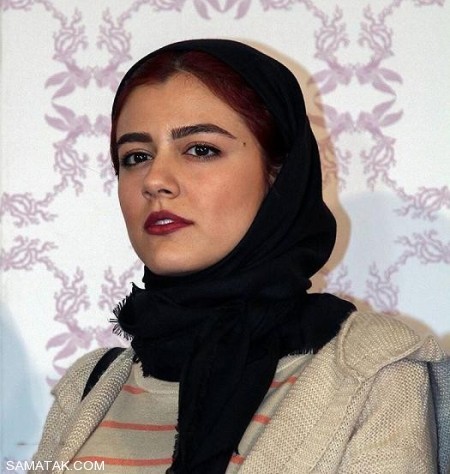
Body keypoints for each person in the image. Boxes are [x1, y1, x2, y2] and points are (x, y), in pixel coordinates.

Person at [31, 39, 450, 474]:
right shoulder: (87, 388)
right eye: (136, 156)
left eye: (200, 149)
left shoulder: (372, 371)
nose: (154, 179)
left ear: (278, 174)